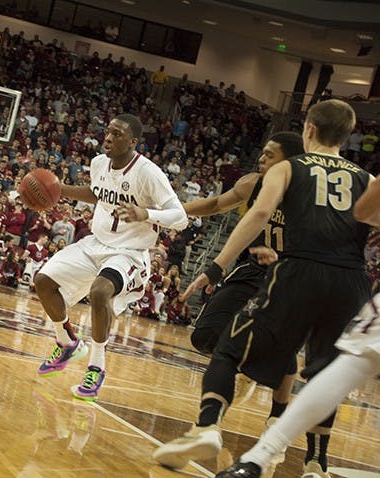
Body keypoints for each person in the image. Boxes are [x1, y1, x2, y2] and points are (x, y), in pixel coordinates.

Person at [153, 100, 371, 477]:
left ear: (309, 130)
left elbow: (259, 213)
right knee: (327, 373)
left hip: (300, 270)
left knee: (228, 349)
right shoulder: (367, 178)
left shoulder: (290, 167)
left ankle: (206, 427)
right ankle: (316, 463)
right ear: (347, 136)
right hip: (351, 282)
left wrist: (216, 267)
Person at [217, 175, 380, 477]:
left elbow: (365, 211)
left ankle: (259, 458)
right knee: (341, 367)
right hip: (335, 280)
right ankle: (288, 458)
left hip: (316, 275)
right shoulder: (354, 177)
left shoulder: (295, 174)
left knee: (343, 369)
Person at [35, 114, 187, 401]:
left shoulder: (149, 173)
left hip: (129, 253)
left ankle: (96, 367)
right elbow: (98, 194)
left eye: (117, 134)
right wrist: (59, 190)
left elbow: (180, 217)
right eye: (108, 132)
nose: (108, 138)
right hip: (96, 243)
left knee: (100, 292)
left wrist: (145, 213)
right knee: (43, 281)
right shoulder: (98, 163)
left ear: (132, 142)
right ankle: (67, 342)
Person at [184, 133, 304, 417]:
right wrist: (166, 211)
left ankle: (276, 416)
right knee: (204, 336)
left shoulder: (307, 195)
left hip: (291, 275)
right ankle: (246, 363)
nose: (261, 159)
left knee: (284, 349)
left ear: (288, 163)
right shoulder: (252, 184)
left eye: (270, 155)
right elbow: (216, 204)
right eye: (262, 152)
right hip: (252, 268)